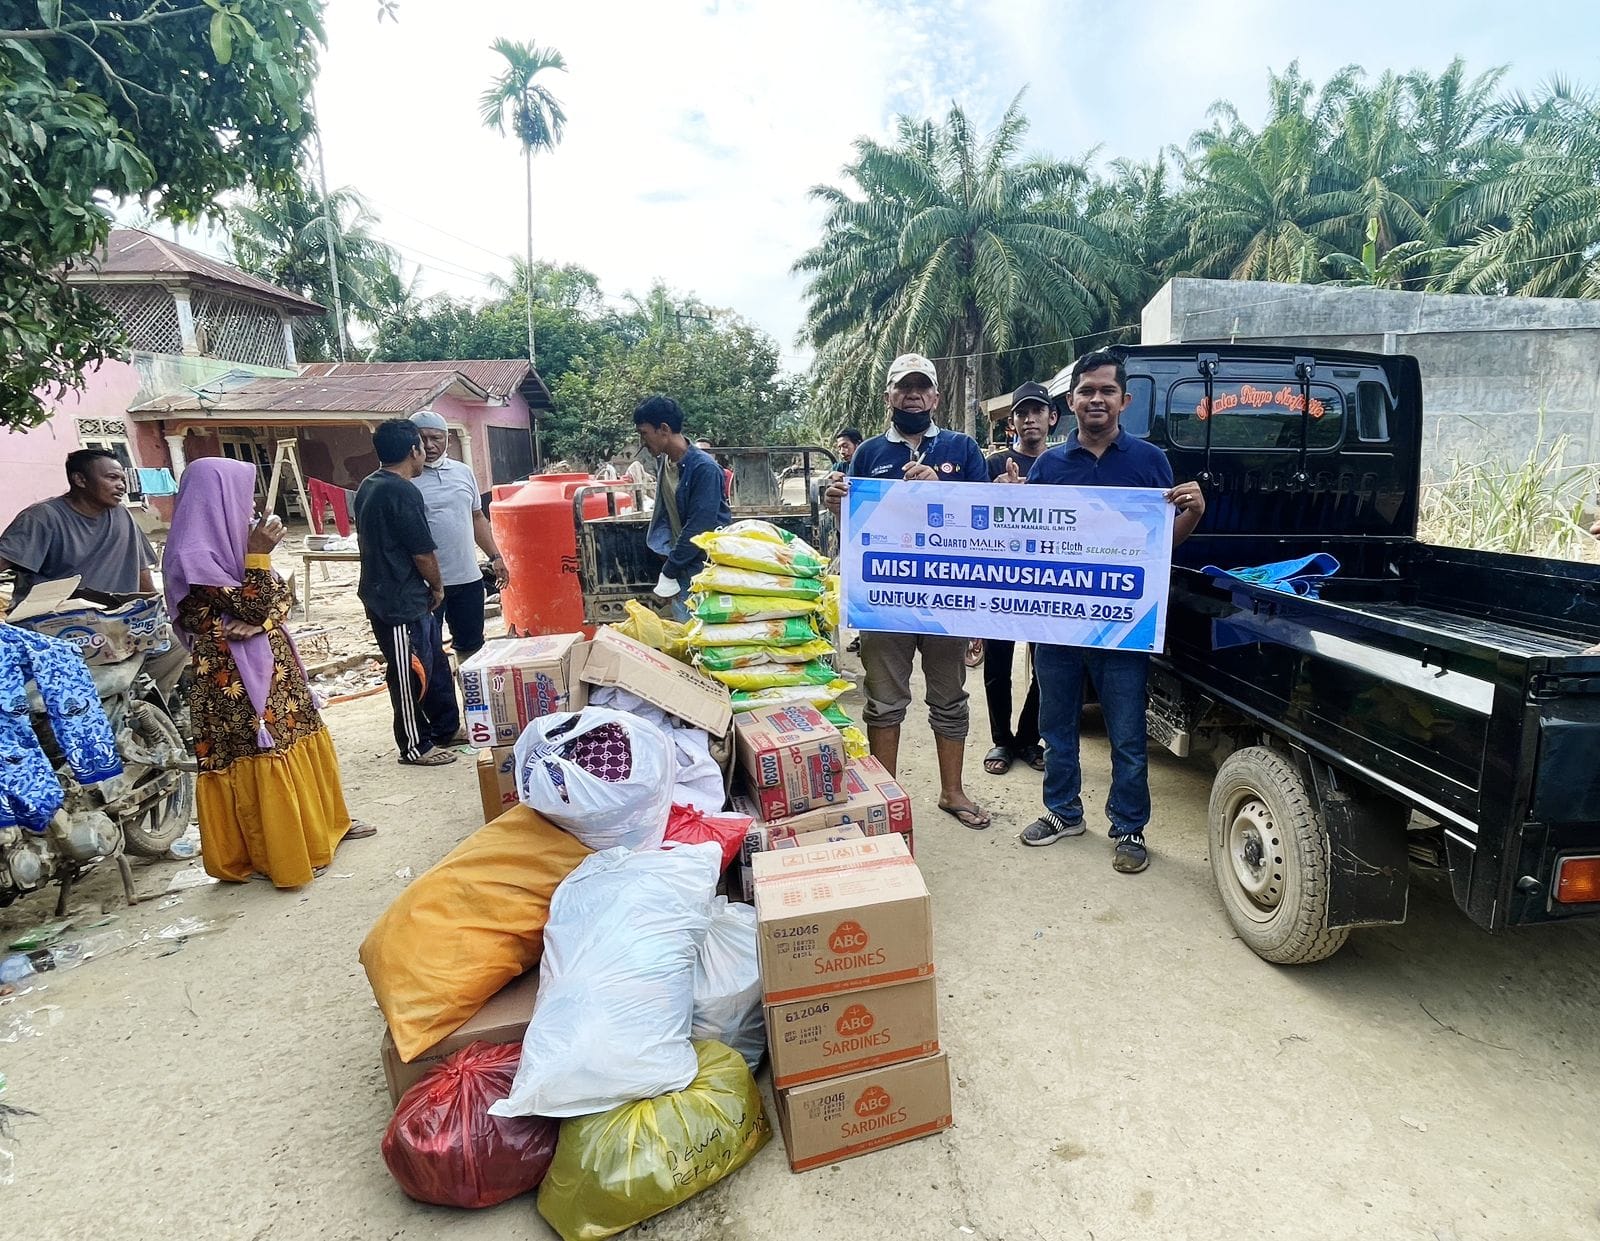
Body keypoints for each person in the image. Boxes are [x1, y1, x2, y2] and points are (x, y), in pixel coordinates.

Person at [1010, 350, 1205, 873]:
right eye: (1086, 391)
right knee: (1056, 725)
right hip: (1055, 620)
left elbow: (1160, 546)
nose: (1096, 399)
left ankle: (1128, 827)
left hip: (1123, 623)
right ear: (1069, 402)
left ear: (1125, 399)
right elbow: (1026, 541)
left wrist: (1194, 515)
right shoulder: (1049, 465)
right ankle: (1062, 813)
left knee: (1126, 732)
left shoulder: (1150, 462)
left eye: (1106, 390)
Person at [163, 457, 373, 887]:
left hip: (274, 666)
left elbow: (280, 602)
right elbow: (258, 601)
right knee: (263, 752)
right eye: (244, 493)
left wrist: (263, 621)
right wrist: (258, 562)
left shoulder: (232, 541)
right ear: (216, 497)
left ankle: (324, 827)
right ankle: (283, 849)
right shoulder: (195, 554)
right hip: (232, 682)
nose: (253, 503)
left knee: (297, 735)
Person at [824, 352, 991, 830]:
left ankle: (952, 792)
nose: (913, 394)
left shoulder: (962, 449)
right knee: (883, 701)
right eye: (904, 387)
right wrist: (837, 504)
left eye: (922, 386)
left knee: (949, 698)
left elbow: (988, 520)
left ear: (935, 396)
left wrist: (941, 489)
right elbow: (854, 528)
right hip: (885, 602)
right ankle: (886, 797)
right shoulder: (868, 454)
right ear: (889, 396)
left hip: (947, 601)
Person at [353, 419, 460, 767]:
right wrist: (438, 585)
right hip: (396, 601)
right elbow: (422, 552)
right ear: (413, 450)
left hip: (400, 594)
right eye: (421, 446)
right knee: (408, 673)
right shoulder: (400, 490)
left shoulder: (369, 485)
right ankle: (414, 745)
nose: (424, 453)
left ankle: (444, 728)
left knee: (433, 663)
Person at [980, 382, 1058, 776]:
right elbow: (970, 520)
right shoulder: (993, 465)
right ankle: (1001, 740)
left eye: (1038, 412)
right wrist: (996, 495)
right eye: (1022, 414)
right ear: (1012, 422)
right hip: (1000, 579)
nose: (1030, 419)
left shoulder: (1063, 463)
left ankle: (1029, 739)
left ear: (1051, 418)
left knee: (1046, 664)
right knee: (997, 664)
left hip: (1048, 581)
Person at [407, 410, 507, 664]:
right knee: (425, 651)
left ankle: (473, 700)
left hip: (467, 579)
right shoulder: (405, 478)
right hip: (425, 584)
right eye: (422, 438)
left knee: (472, 647)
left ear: (447, 439)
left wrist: (495, 556)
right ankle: (437, 703)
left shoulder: (463, 473)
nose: (429, 445)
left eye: (436, 438)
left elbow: (477, 518)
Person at [0, 449, 156, 604]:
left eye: (122, 480)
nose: (121, 486)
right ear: (80, 480)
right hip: (52, 621)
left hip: (115, 619)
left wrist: (155, 607)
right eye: (112, 478)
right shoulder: (42, 517)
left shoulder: (123, 515)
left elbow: (140, 569)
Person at [637, 395, 732, 616]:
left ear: (663, 429)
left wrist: (669, 569)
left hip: (705, 568)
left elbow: (700, 527)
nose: (642, 442)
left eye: (644, 433)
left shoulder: (704, 468)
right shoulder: (666, 463)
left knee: (702, 638)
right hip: (684, 564)